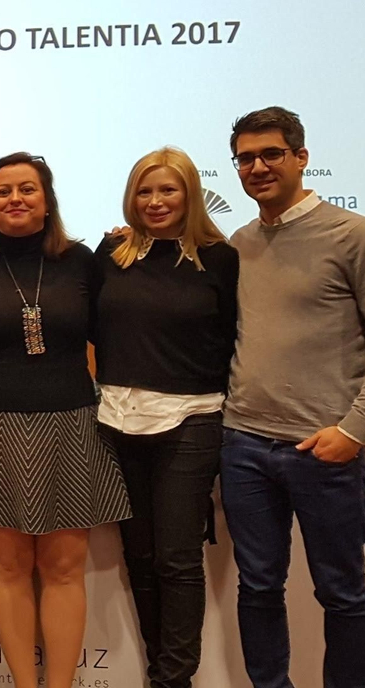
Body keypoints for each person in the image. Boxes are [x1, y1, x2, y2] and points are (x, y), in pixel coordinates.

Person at [220, 107, 365, 688]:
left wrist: (353, 430)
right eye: (246, 158)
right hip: (245, 445)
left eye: (271, 154)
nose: (257, 167)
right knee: (257, 586)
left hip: (322, 448)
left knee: (342, 592)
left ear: (301, 158)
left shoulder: (357, 235)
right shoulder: (240, 242)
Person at [0, 152, 130, 688]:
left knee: (66, 571)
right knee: (8, 569)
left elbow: (116, 330)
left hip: (72, 425)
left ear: (47, 202)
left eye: (27, 189)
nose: (15, 199)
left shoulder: (82, 262)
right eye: (2, 191)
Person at [91, 148, 238, 688]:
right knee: (141, 557)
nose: (155, 202)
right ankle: (161, 673)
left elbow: (233, 339)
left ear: (190, 194)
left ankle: (174, 680)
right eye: (145, 191)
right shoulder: (111, 252)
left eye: (168, 190)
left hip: (191, 419)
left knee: (177, 560)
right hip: (117, 419)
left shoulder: (220, 257)